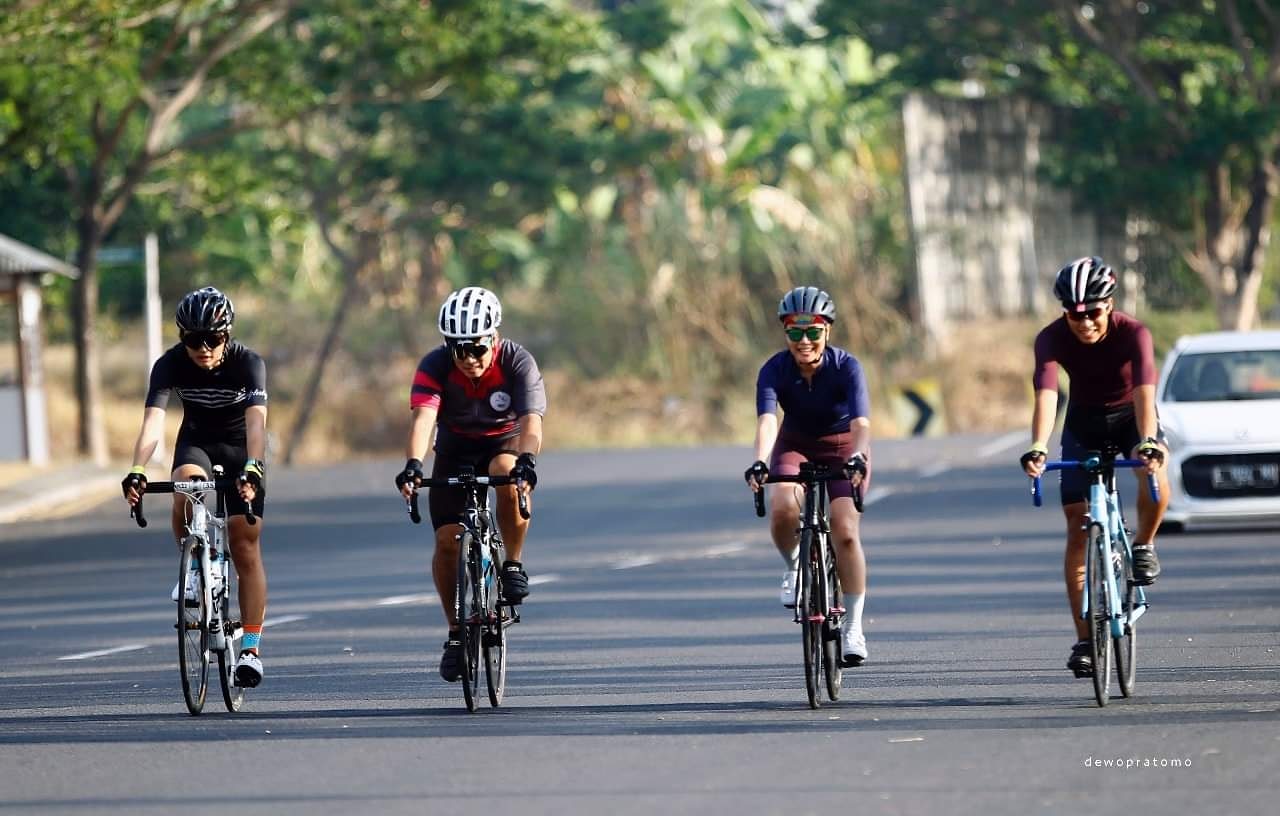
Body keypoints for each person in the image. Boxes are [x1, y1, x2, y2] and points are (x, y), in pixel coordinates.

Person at [1019, 256, 1169, 679]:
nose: (1084, 323)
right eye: (1074, 314)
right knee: (1076, 524)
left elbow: (1144, 391)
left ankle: (1143, 544)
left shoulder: (1134, 333)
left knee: (1153, 472)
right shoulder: (1050, 338)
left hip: (1130, 417)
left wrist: (1147, 441)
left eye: (1093, 312)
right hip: (1083, 421)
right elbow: (1047, 394)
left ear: (1110, 304)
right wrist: (1037, 446)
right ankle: (1086, 639)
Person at [395, 286, 546, 683]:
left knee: (506, 471)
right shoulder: (436, 364)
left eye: (476, 349)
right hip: (456, 449)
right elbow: (423, 419)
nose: (468, 359)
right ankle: (456, 632)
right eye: (458, 349)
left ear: (493, 339)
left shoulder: (517, 361)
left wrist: (527, 461)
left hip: (504, 442)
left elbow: (532, 420)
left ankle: (512, 562)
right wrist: (413, 464)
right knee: (447, 540)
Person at [121, 286, 269, 688]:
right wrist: (137, 468)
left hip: (242, 448)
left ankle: (251, 649)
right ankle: (190, 568)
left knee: (244, 543)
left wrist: (253, 468)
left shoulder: (248, 363)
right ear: (181, 337)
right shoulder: (169, 365)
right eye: (192, 340)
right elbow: (153, 421)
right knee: (185, 485)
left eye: (213, 339)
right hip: (197, 442)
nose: (203, 348)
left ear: (228, 334)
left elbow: (256, 423)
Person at [745, 286, 872, 668]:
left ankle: (853, 627)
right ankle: (794, 566)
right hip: (795, 442)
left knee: (845, 529)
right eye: (794, 332)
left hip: (842, 445)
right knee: (783, 506)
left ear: (827, 331)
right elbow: (768, 420)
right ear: (785, 334)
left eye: (812, 331)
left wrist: (857, 456)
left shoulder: (846, 366)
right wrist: (760, 460)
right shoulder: (773, 369)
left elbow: (862, 422)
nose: (804, 341)